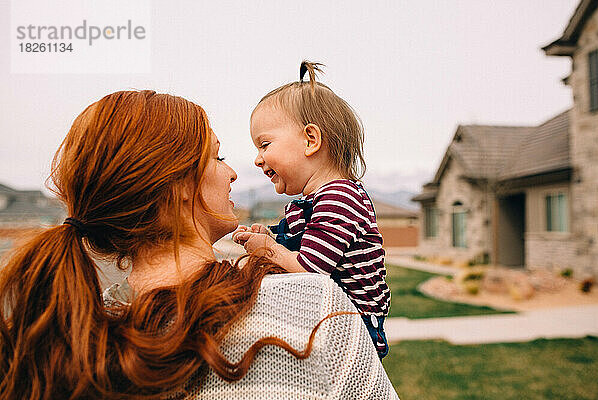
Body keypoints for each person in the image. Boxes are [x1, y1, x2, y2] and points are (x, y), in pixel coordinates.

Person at [0, 90, 399, 399]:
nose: (233, 173)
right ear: (180, 185)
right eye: (217, 156)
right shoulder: (312, 306)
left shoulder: (74, 335)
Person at [233, 61, 391, 359]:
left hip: (353, 325)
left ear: (311, 140)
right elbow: (299, 249)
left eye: (264, 144)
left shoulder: (339, 198)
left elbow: (310, 270)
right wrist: (269, 237)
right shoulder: (312, 203)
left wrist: (268, 250)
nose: (257, 159)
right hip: (331, 316)